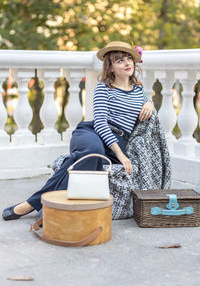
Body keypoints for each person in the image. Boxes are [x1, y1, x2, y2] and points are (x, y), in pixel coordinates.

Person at [2, 41, 154, 221]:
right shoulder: (103, 89)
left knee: (84, 161)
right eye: (120, 60)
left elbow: (149, 116)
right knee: (93, 152)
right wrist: (121, 155)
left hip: (121, 139)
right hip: (92, 133)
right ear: (111, 67)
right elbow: (100, 124)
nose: (127, 63)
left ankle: (35, 204)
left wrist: (150, 104)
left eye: (129, 58)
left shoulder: (139, 91)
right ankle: (41, 207)